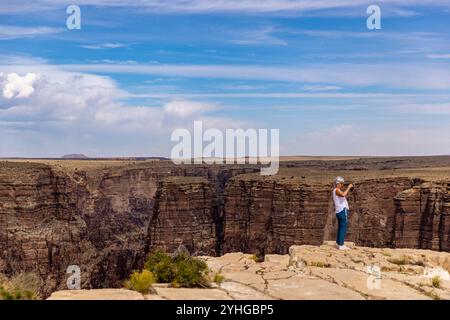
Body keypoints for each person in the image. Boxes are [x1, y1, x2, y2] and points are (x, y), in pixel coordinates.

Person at [332, 176, 353, 250]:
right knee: (343, 227)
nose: (342, 185)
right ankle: (341, 245)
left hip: (338, 211)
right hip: (341, 211)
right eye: (342, 184)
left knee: (340, 227)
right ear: (338, 183)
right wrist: (349, 187)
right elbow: (343, 194)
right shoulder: (337, 190)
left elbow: (342, 195)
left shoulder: (335, 190)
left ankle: (338, 243)